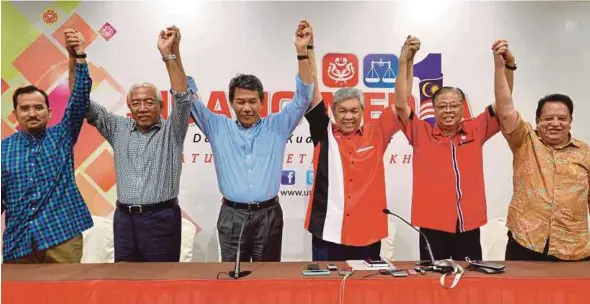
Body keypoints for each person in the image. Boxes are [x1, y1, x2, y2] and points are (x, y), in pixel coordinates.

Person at [189, 20, 314, 262]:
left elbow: (303, 97)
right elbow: (188, 98)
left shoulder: (278, 126)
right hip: (231, 215)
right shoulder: (217, 127)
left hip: (268, 215)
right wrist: (172, 55)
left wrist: (302, 52)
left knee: (266, 280)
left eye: (252, 101)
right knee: (231, 282)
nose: (247, 108)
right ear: (231, 103)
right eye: (240, 102)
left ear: (262, 101)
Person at [394, 36, 515, 261]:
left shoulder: (476, 129)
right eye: (442, 106)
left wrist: (505, 66)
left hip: (468, 225)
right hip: (432, 228)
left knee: (469, 288)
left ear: (463, 106)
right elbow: (401, 104)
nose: (448, 110)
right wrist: (404, 61)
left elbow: (503, 103)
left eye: (453, 105)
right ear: (433, 109)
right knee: (432, 288)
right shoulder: (421, 133)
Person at [82, 27, 191, 262]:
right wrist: (77, 59)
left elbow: (182, 97)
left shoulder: (172, 131)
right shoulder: (118, 128)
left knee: (160, 285)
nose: (142, 108)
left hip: (162, 220)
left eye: (149, 102)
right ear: (129, 107)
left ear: (161, 106)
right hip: (124, 221)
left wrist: (168, 54)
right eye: (137, 103)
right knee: (124, 285)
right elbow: (84, 103)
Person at [302, 21, 403, 261]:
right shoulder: (323, 133)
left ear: (363, 111)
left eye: (354, 111)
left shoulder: (377, 133)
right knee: (326, 293)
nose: (349, 116)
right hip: (328, 231)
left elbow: (401, 103)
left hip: (367, 233)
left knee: (365, 294)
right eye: (343, 111)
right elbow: (312, 92)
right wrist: (309, 50)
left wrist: (405, 60)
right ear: (334, 112)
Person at [1, 29, 93, 263]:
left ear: (49, 112)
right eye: (25, 108)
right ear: (15, 115)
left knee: (66, 298)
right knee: (19, 299)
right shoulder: (3, 150)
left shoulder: (61, 136)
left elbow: (79, 98)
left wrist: (78, 57)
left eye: (38, 107)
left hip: (60, 236)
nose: (32, 113)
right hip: (19, 242)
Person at [492, 43, 590, 261]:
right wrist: (504, 66)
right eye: (548, 118)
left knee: (575, 297)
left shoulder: (585, 153)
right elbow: (505, 108)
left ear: (570, 122)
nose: (555, 123)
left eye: (562, 118)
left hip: (574, 249)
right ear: (537, 121)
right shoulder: (525, 141)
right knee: (520, 296)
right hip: (525, 243)